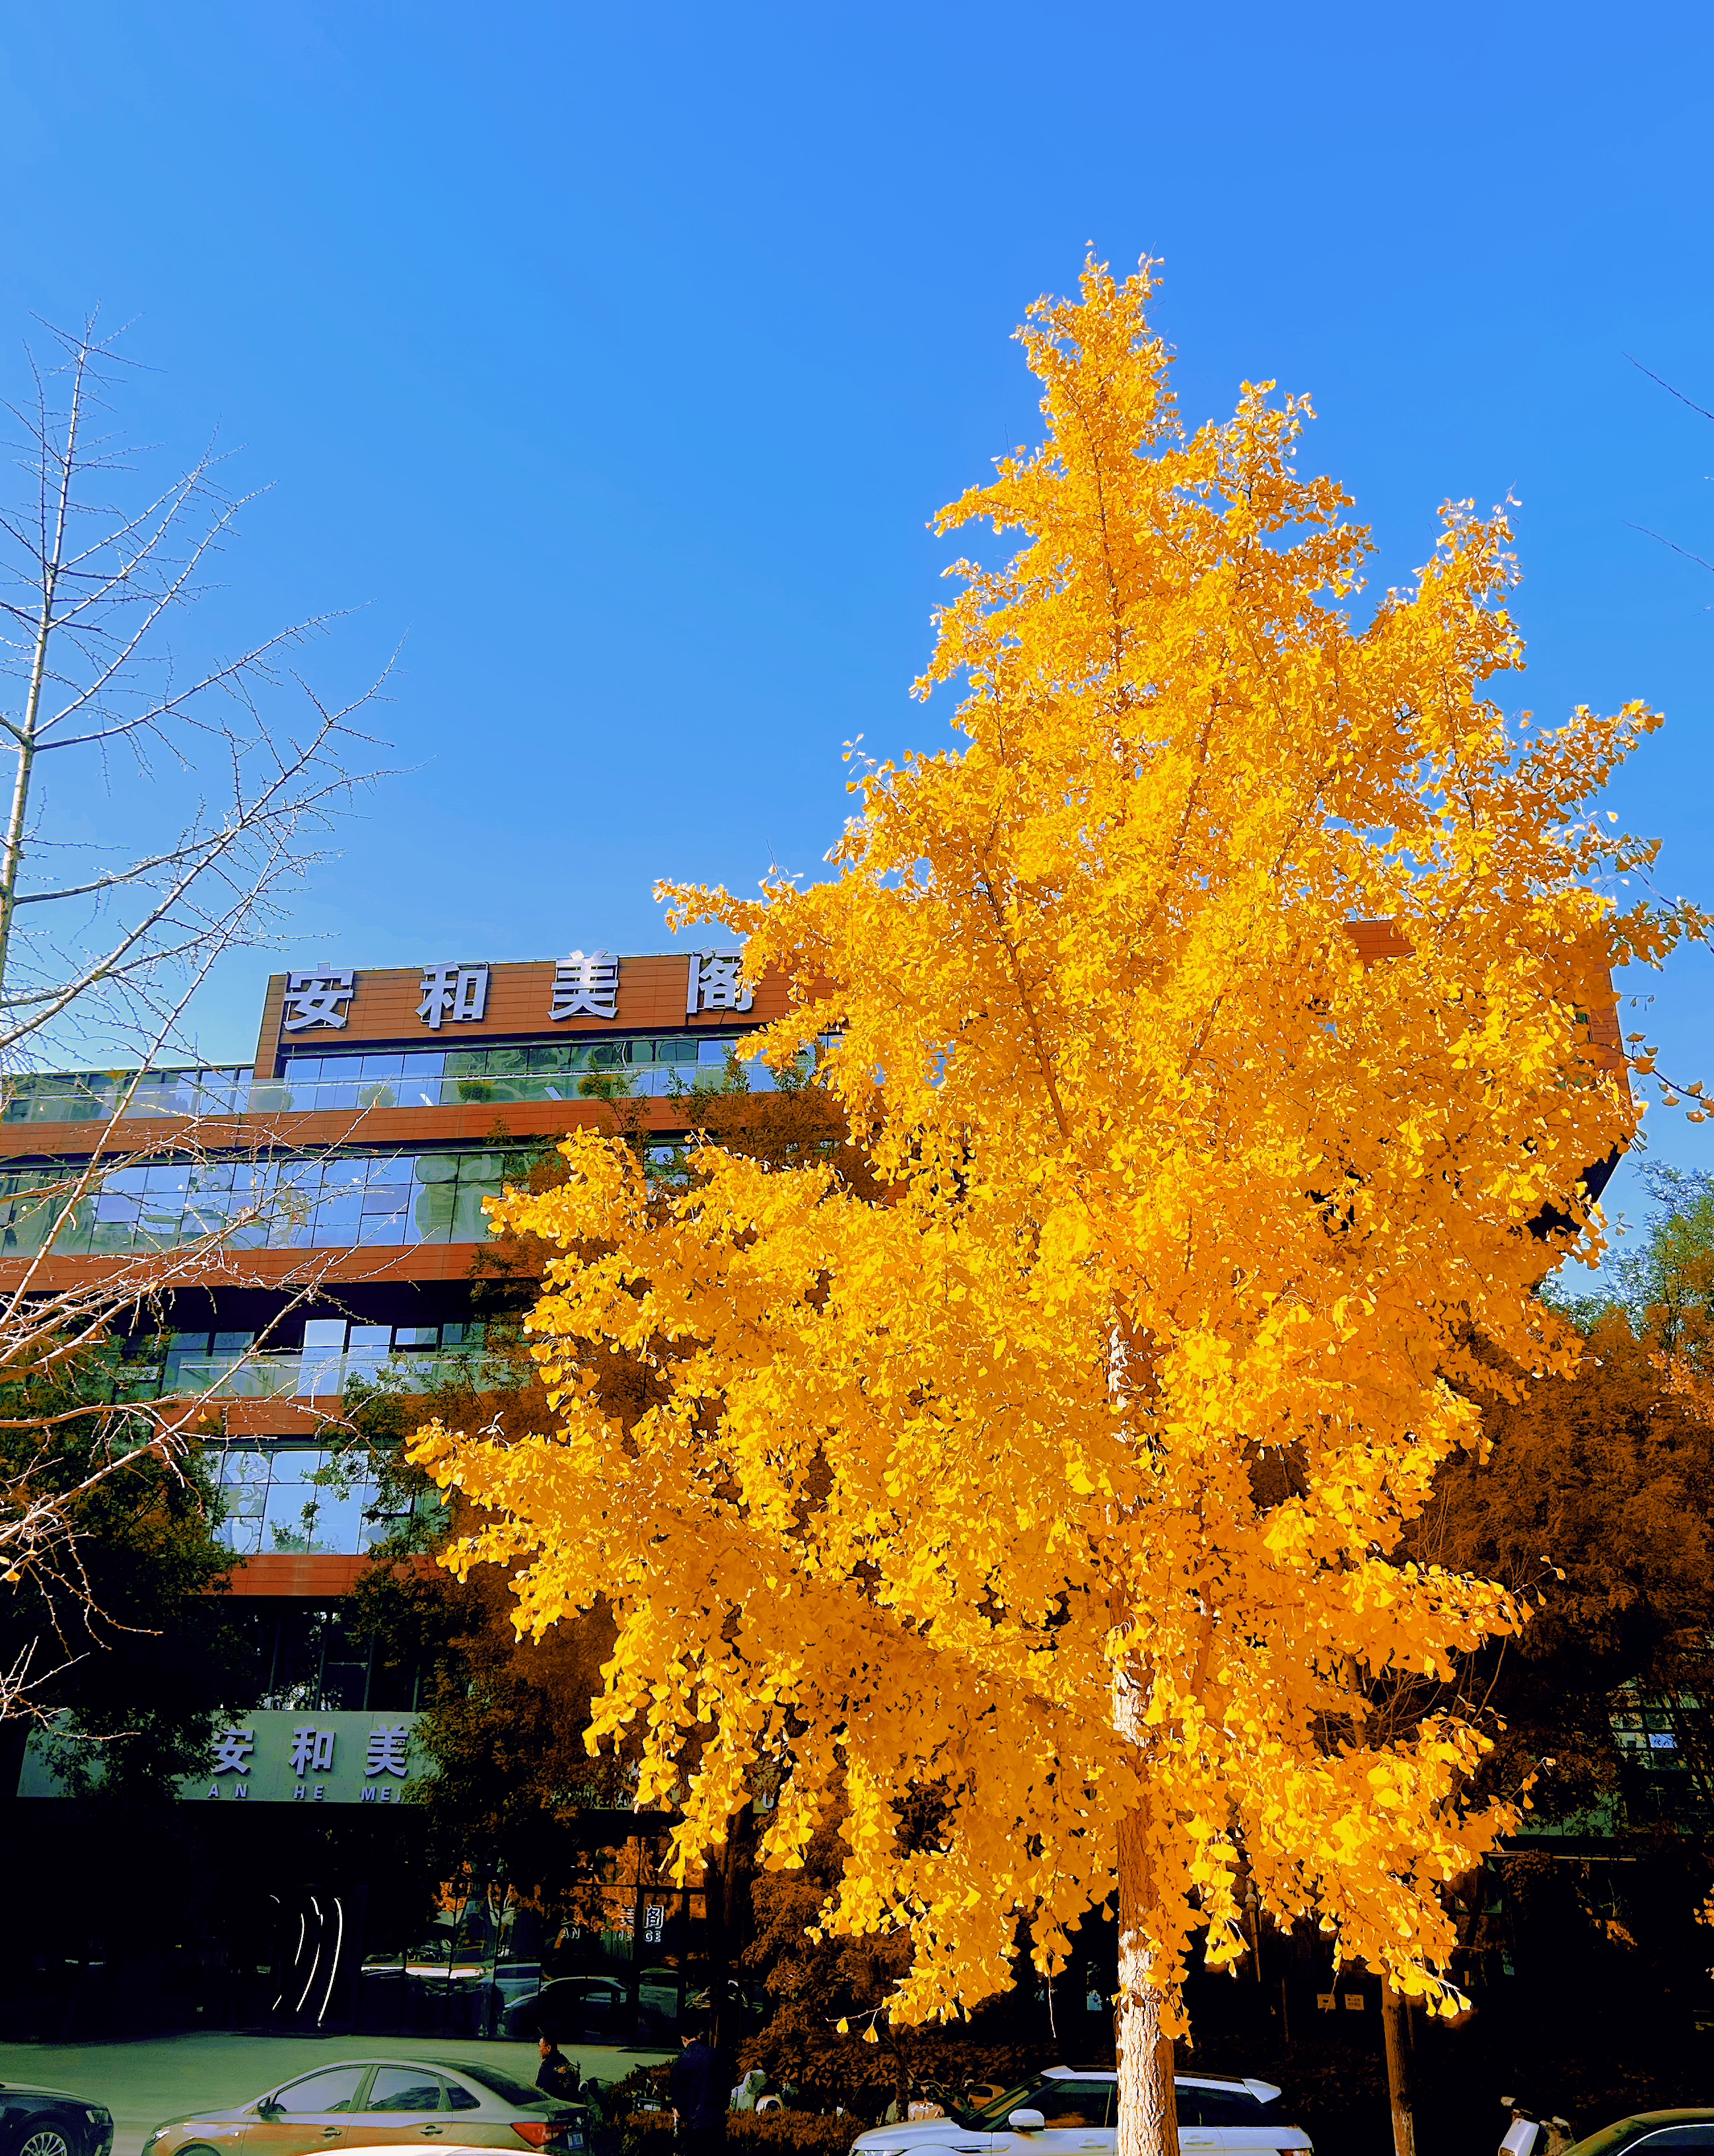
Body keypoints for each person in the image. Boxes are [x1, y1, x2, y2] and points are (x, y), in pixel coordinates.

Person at [669, 2022, 726, 2156]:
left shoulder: (681, 2062)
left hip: (694, 2123)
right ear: (698, 2037)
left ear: (684, 2039)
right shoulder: (715, 2055)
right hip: (716, 2120)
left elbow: (678, 2096)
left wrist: (679, 2112)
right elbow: (725, 2086)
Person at [537, 2038, 581, 2102]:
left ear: (549, 2048)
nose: (539, 2050)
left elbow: (541, 2089)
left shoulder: (550, 2066)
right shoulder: (560, 2060)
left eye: (540, 2047)